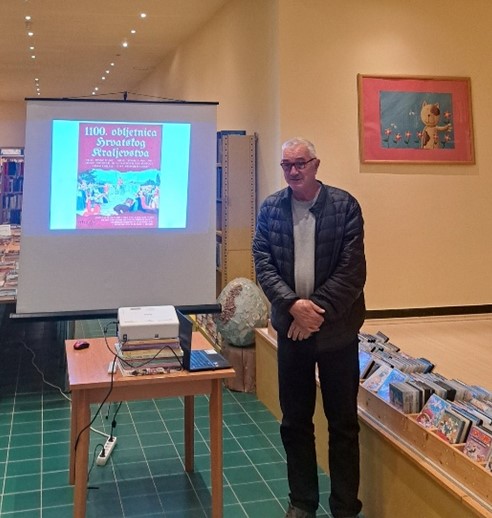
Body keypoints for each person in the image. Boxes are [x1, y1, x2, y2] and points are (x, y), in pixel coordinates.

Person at [253, 137, 366, 518]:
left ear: (316, 164)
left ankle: (345, 506)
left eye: (300, 163)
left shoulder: (345, 206)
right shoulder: (271, 208)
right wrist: (292, 307)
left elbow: (352, 272)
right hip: (292, 332)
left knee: (343, 424)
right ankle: (302, 502)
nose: (293, 171)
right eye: (286, 165)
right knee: (295, 423)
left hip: (337, 333)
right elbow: (263, 263)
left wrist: (312, 313)